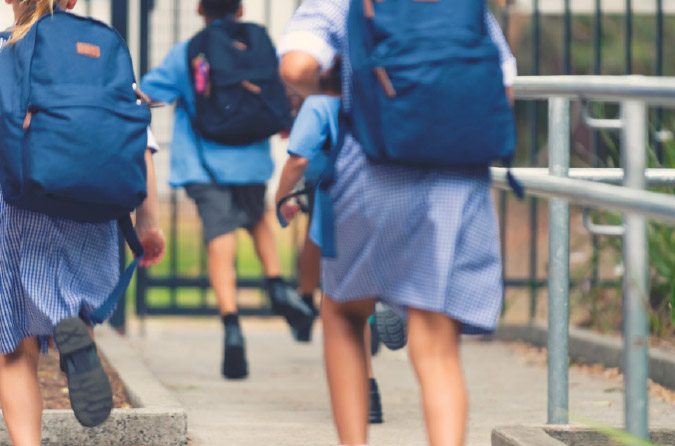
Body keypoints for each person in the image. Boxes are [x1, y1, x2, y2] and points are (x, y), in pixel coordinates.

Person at [278, 1, 517, 444]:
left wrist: (332, 87)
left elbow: (296, 67)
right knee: (437, 343)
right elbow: (503, 89)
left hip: (374, 168)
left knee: (344, 311)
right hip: (458, 177)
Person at [0, 0, 166, 443]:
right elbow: (139, 138)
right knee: (76, 304)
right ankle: (78, 338)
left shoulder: (4, 52)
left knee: (13, 349)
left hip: (19, 204)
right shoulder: (101, 49)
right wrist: (148, 222)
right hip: (95, 206)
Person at [140, 0, 315, 380]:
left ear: (200, 10)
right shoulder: (258, 46)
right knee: (257, 219)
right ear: (241, 10)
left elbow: (149, 93)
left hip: (204, 164)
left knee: (220, 237)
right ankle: (277, 285)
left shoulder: (188, 52)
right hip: (251, 159)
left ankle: (232, 326)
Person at [275, 61, 383, 424]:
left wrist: (281, 197)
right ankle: (389, 304)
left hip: (343, 200)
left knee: (343, 299)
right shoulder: (383, 94)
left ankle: (367, 394)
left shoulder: (320, 104)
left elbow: (298, 159)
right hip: (394, 193)